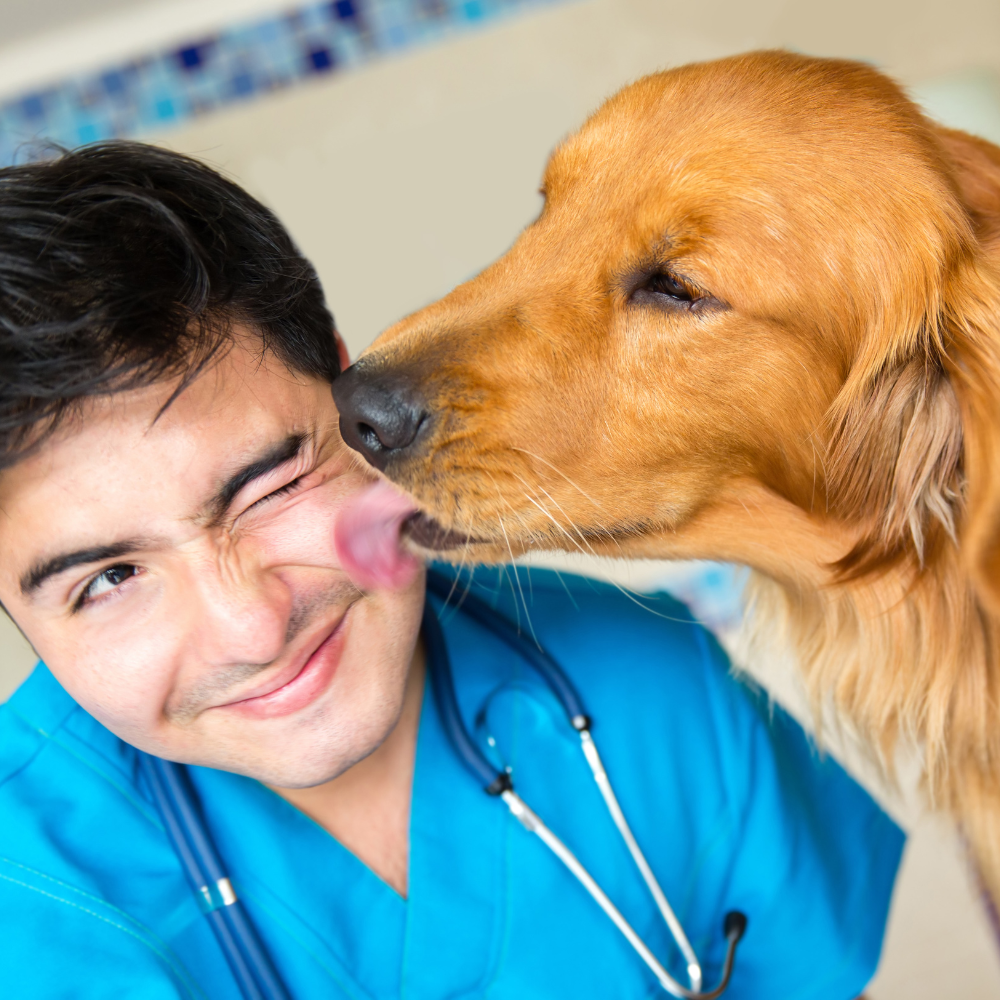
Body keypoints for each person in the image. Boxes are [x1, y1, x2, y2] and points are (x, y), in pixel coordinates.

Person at [0, 142, 902, 1000]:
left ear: (357, 397)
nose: (252, 627)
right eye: (109, 578)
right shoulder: (26, 906)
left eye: (270, 489)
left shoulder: (656, 688)